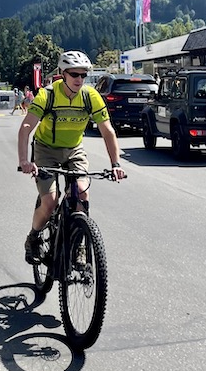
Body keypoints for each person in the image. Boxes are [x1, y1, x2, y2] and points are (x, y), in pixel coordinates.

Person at [18, 50, 127, 264]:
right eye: (74, 74)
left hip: (74, 150)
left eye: (83, 75)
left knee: (81, 195)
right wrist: (24, 161)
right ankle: (33, 237)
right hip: (46, 149)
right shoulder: (47, 95)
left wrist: (116, 164)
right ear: (62, 73)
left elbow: (107, 131)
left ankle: (78, 246)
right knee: (49, 202)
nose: (79, 79)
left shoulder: (90, 96)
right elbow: (25, 129)